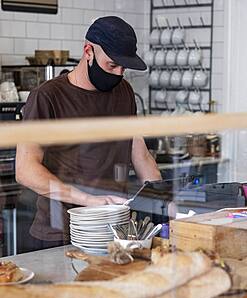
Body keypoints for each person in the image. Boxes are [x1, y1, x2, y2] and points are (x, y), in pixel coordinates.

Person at [16, 16, 161, 250]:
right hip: (60, 232)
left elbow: (140, 155)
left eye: (123, 67)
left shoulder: (123, 91)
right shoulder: (47, 96)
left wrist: (163, 202)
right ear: (88, 51)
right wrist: (88, 201)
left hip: (114, 229)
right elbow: (25, 170)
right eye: (111, 65)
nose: (118, 73)